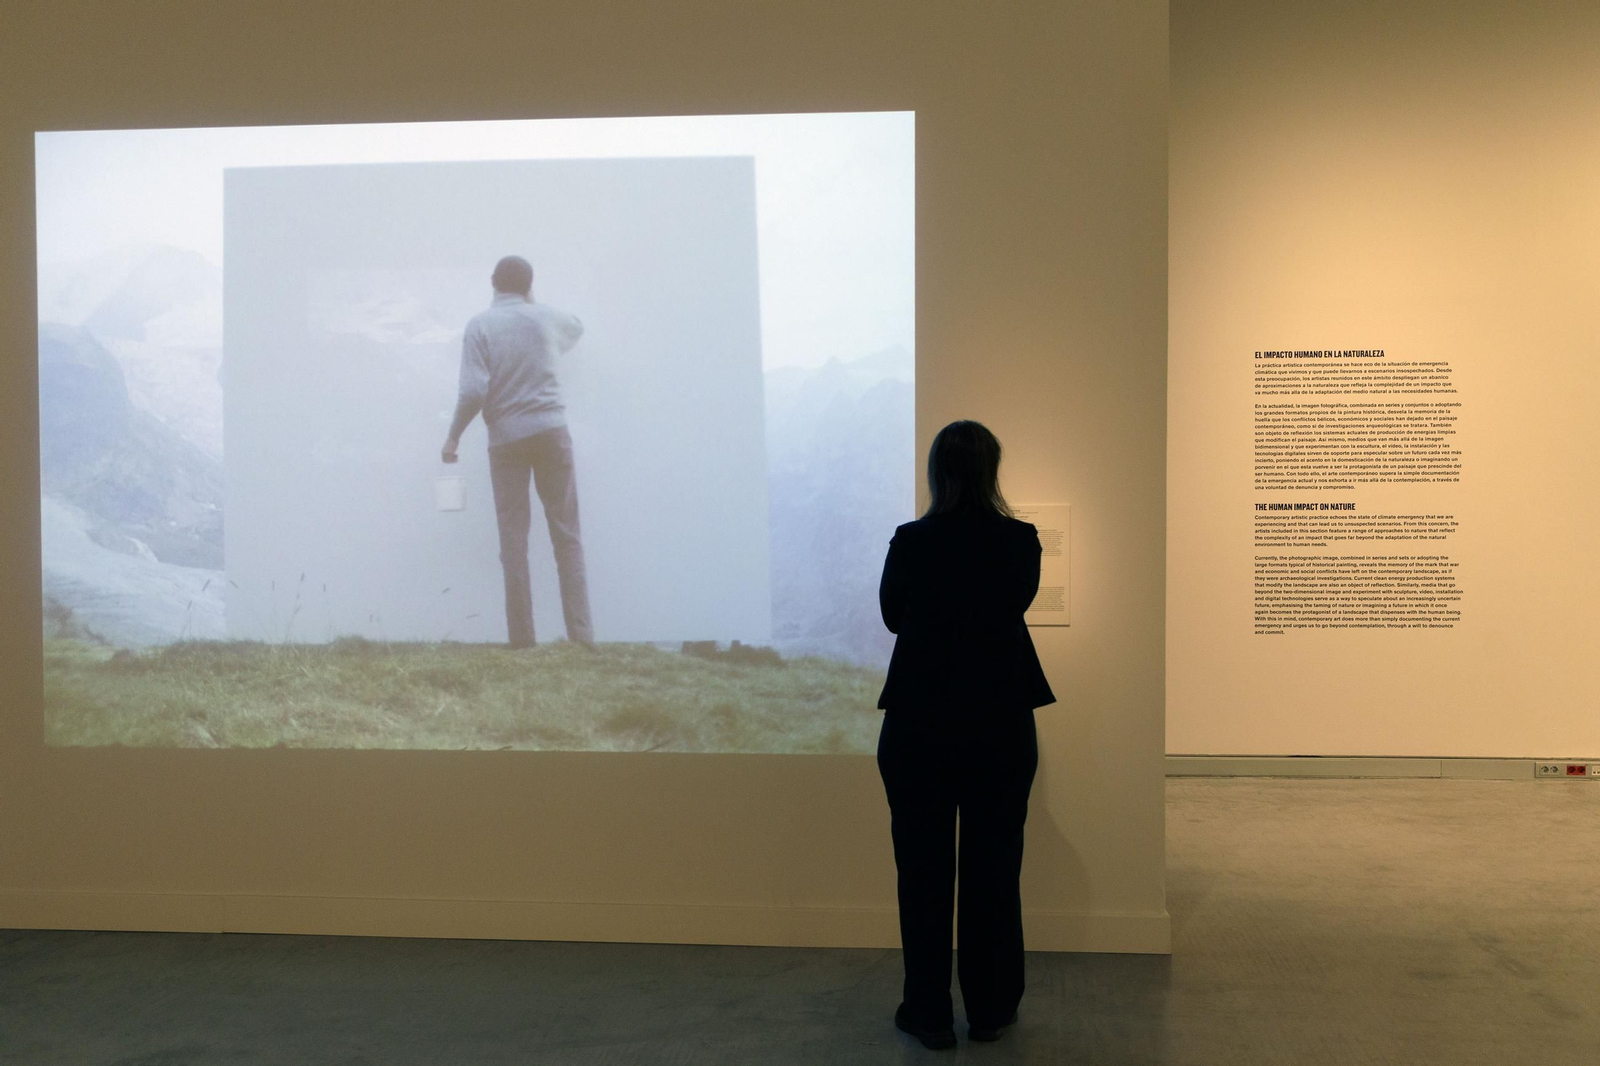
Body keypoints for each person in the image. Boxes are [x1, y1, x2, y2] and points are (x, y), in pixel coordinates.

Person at [875, 419, 1055, 1050]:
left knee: (921, 869)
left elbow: (895, 615)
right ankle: (991, 1009)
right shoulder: (1020, 541)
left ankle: (927, 1013)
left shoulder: (911, 541)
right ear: (991, 470)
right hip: (1001, 720)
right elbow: (1016, 604)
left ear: (936, 471)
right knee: (995, 868)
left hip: (920, 719)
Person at [441, 255, 594, 649]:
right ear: (528, 285)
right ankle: (581, 637)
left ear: (492, 283)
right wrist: (532, 302)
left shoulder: (479, 326)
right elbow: (577, 327)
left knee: (513, 540)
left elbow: (474, 390)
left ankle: (523, 641)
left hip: (507, 440)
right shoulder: (544, 317)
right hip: (551, 432)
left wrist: (454, 435)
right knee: (567, 535)